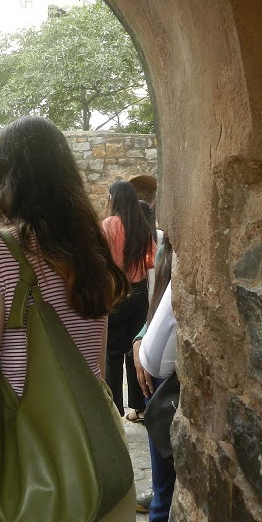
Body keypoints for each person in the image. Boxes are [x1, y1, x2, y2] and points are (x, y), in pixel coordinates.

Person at [0, 116, 135, 522]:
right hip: (105, 481)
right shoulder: (91, 253)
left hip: (34, 505)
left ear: (4, 184)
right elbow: (93, 371)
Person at [133, 236, 178, 522]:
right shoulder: (168, 250)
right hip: (160, 389)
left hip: (167, 388)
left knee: (167, 498)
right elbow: (158, 303)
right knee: (165, 495)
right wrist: (140, 339)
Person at [102, 180, 156, 420]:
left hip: (116, 291)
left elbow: (100, 258)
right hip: (140, 293)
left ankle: (114, 407)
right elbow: (152, 259)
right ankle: (139, 407)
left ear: (115, 198)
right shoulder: (141, 226)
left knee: (112, 352)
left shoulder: (109, 224)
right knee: (135, 349)